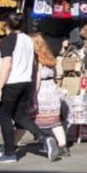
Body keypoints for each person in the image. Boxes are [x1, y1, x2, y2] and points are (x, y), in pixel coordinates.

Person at [0, 12, 52, 163]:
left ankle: (9, 153)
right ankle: (44, 136)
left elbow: (6, 65)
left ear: (5, 25)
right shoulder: (28, 40)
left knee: (4, 116)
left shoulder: (7, 41)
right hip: (25, 81)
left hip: (11, 82)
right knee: (20, 115)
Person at [30, 34, 68, 162]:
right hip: (51, 91)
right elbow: (56, 76)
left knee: (26, 122)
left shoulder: (37, 60)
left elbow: (37, 80)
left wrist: (33, 95)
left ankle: (11, 145)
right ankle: (63, 146)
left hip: (42, 93)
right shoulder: (50, 58)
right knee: (55, 122)